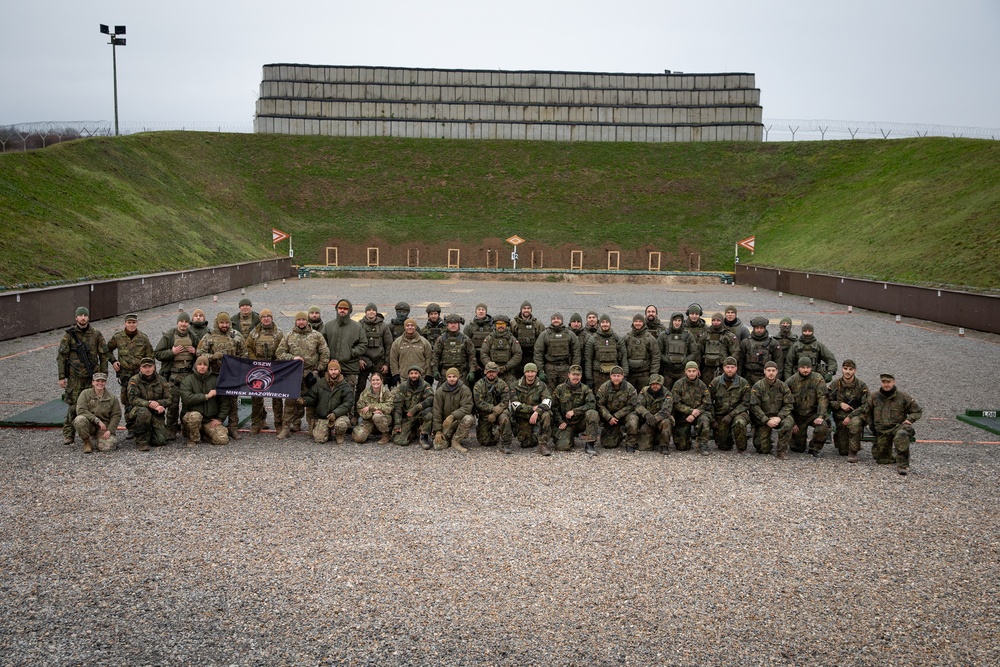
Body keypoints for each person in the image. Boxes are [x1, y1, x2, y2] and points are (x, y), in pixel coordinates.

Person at [57, 306, 109, 446]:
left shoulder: (96, 334)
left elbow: (104, 355)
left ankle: (94, 432)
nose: (83, 318)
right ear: (76, 318)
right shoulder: (68, 335)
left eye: (85, 315)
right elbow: (61, 357)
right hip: (75, 378)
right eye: (80, 315)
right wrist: (62, 376)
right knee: (74, 406)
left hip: (92, 377)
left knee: (95, 404)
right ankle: (69, 433)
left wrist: (103, 375)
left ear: (88, 317)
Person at [275, 311, 330, 439]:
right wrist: (292, 358)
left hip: (311, 375)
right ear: (295, 321)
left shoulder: (316, 336)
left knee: (311, 403)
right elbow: (280, 353)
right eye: (299, 320)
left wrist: (317, 370)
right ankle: (286, 427)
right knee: (290, 402)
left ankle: (312, 428)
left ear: (307, 321)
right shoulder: (289, 336)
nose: (301, 322)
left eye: (303, 320)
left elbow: (325, 353)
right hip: (294, 374)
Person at [197, 312, 247, 441]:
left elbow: (244, 354)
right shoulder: (209, 336)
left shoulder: (236, 336)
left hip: (231, 375)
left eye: (226, 323)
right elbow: (200, 353)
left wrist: (237, 366)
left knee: (232, 402)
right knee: (213, 400)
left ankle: (233, 427)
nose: (224, 325)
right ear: (217, 323)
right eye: (222, 323)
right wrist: (212, 357)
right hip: (213, 375)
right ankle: (210, 425)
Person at [864, 372, 921, 475]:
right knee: (881, 459)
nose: (886, 385)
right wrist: (872, 427)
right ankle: (892, 454)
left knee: (901, 435)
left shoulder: (903, 397)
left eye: (888, 382)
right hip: (882, 430)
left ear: (894, 382)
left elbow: (917, 411)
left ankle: (902, 465)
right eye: (884, 382)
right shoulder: (874, 397)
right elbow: (867, 413)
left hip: (897, 427)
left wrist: (910, 419)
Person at [107, 313, 153, 439]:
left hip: (139, 375)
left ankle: (142, 426)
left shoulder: (143, 338)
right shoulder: (118, 337)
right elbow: (107, 349)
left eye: (133, 323)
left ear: (137, 323)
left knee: (141, 399)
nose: (131, 325)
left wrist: (147, 370)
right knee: (127, 400)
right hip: (125, 375)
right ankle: (130, 427)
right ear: (125, 324)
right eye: (129, 323)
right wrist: (113, 361)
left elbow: (150, 357)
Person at [153, 312, 198, 440]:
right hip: (173, 377)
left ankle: (185, 429)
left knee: (187, 405)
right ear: (178, 322)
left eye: (186, 322)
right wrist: (171, 352)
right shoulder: (169, 336)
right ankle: (171, 431)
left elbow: (202, 354)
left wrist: (195, 352)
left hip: (188, 376)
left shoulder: (193, 336)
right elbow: (157, 353)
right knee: (172, 406)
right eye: (182, 321)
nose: (184, 324)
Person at [245, 308, 284, 434]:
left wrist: (277, 363)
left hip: (274, 369)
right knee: (256, 397)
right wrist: (255, 361)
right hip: (258, 369)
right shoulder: (254, 333)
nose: (266, 318)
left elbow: (283, 349)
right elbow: (248, 348)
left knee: (277, 398)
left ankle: (278, 423)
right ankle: (257, 422)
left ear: (272, 318)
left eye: (268, 316)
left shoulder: (279, 334)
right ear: (260, 319)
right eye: (263, 317)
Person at [323, 299, 367, 408]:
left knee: (349, 394)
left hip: (350, 367)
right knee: (331, 393)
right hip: (332, 367)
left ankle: (349, 418)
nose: (342, 310)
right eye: (340, 308)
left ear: (349, 311)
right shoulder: (328, 326)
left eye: (345, 309)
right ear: (337, 309)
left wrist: (350, 353)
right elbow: (322, 344)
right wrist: (328, 358)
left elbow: (363, 344)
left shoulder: (357, 327)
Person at [179, 355, 229, 447]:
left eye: (205, 365)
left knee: (222, 440)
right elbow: (187, 399)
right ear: (195, 366)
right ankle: (193, 438)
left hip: (209, 420)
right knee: (195, 416)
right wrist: (206, 396)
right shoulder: (187, 381)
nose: (202, 367)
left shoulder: (215, 380)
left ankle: (205, 435)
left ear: (208, 367)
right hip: (193, 418)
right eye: (200, 364)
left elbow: (224, 401)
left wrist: (220, 418)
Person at [785, 357, 831, 456]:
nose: (805, 370)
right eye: (803, 367)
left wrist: (820, 416)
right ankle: (797, 442)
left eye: (808, 367)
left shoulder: (818, 379)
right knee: (797, 448)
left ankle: (814, 447)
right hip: (797, 417)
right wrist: (792, 422)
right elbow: (785, 404)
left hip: (812, 414)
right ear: (798, 368)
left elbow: (823, 398)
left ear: (811, 368)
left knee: (823, 426)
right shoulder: (791, 381)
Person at [302, 359, 354, 444]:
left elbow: (348, 403)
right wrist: (304, 400)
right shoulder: (320, 383)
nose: (333, 372)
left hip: (339, 416)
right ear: (328, 371)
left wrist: (335, 413)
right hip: (323, 417)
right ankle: (328, 432)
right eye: (331, 370)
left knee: (341, 425)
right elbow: (312, 396)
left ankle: (339, 435)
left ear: (339, 371)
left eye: (335, 370)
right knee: (319, 439)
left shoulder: (345, 386)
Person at [749, 361, 794, 458]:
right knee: (762, 448)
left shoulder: (783, 386)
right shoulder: (758, 386)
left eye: (773, 370)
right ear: (764, 371)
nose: (771, 373)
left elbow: (789, 404)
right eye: (768, 370)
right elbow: (754, 406)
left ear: (777, 371)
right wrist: (766, 420)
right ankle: (766, 440)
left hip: (779, 416)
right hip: (764, 419)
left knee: (788, 423)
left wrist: (780, 417)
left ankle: (781, 450)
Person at [828, 359, 870, 461]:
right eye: (845, 369)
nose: (848, 371)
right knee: (843, 451)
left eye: (850, 369)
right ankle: (844, 441)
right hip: (840, 418)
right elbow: (827, 400)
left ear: (854, 370)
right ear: (842, 369)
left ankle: (853, 452)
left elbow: (866, 405)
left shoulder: (861, 386)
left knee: (854, 424)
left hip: (856, 416)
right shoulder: (835, 384)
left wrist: (850, 416)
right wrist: (839, 404)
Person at [551, 364, 599, 455]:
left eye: (578, 375)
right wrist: (560, 421)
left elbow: (592, 404)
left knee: (593, 413)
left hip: (580, 422)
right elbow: (554, 407)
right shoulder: (560, 389)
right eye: (573, 374)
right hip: (566, 423)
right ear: (569, 375)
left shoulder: (586, 389)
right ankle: (569, 437)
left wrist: (575, 411)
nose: (575, 377)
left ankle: (590, 444)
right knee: (562, 447)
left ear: (581, 376)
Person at [127, 357, 172, 452]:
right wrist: (148, 404)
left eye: (150, 366)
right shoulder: (134, 380)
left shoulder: (162, 380)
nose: (147, 369)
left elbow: (169, 399)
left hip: (156, 412)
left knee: (160, 441)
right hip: (139, 411)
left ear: (154, 367)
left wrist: (159, 404)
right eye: (145, 367)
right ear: (141, 368)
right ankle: (141, 441)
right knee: (144, 412)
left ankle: (150, 431)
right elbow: (132, 399)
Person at [708, 357, 751, 453]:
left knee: (739, 423)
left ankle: (741, 447)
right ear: (723, 367)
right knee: (723, 446)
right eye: (727, 367)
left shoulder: (743, 383)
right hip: (721, 415)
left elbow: (746, 403)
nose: (730, 369)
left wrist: (731, 415)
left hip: (738, 414)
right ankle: (728, 438)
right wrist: (712, 419)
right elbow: (708, 402)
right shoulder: (716, 382)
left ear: (736, 368)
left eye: (732, 367)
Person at [510, 363, 553, 456]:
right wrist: (532, 408)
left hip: (537, 415)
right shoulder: (515, 385)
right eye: (528, 372)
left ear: (536, 372)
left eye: (532, 372)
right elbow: (515, 405)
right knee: (525, 443)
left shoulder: (542, 385)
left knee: (546, 415)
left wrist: (537, 411)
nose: (530, 374)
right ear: (524, 373)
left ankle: (543, 445)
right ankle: (534, 434)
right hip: (522, 416)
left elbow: (547, 401)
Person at [73, 372, 121, 454]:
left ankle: (98, 438)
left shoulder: (112, 397)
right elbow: (81, 410)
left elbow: (116, 415)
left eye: (102, 381)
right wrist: (97, 420)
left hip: (104, 427)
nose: (100, 383)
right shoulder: (85, 394)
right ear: (93, 382)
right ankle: (87, 442)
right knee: (79, 420)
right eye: (97, 381)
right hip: (90, 423)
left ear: (105, 383)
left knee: (106, 448)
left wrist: (110, 430)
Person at [472, 362, 515, 454]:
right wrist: (492, 408)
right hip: (485, 415)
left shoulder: (502, 384)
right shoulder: (478, 385)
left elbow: (505, 402)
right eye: (489, 372)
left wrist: (495, 414)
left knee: (505, 418)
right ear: (485, 372)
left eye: (493, 372)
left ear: (497, 372)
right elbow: (479, 403)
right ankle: (497, 431)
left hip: (499, 412)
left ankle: (506, 444)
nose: (491, 374)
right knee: (485, 442)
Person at [671, 361, 712, 455]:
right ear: (685, 371)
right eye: (689, 371)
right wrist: (690, 411)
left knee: (704, 419)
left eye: (694, 371)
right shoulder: (678, 384)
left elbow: (707, 403)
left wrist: (695, 413)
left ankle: (703, 444)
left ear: (698, 371)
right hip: (683, 415)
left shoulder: (702, 385)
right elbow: (676, 403)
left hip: (699, 414)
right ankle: (687, 438)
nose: (691, 373)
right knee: (682, 447)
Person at [534, 312, 581, 391]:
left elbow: (576, 353)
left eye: (558, 319)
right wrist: (540, 370)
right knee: (548, 392)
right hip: (550, 369)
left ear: (562, 320)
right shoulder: (544, 334)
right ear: (551, 320)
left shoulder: (570, 334)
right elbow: (538, 353)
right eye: (554, 319)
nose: (556, 320)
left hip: (565, 368)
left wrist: (574, 369)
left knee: (565, 391)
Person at [596, 365, 639, 452]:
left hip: (624, 415)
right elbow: (600, 405)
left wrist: (617, 415)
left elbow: (632, 405)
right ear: (610, 376)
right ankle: (619, 435)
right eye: (614, 376)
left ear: (622, 376)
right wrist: (609, 417)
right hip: (609, 417)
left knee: (633, 420)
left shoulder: (630, 388)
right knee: (608, 444)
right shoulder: (604, 387)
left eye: (618, 376)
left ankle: (631, 443)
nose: (616, 378)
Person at [432, 367, 476, 452]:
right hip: (446, 423)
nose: (452, 379)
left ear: (458, 377)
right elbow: (437, 411)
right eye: (449, 377)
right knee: (438, 446)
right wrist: (438, 430)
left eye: (454, 376)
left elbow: (467, 407)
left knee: (468, 418)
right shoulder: (440, 391)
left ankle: (456, 441)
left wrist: (452, 416)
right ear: (446, 377)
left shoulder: (464, 390)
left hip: (458, 420)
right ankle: (448, 438)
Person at [392, 365, 434, 448]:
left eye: (416, 373)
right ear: (408, 375)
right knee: (399, 441)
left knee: (429, 412)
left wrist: (416, 408)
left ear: (419, 374)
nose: (413, 375)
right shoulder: (403, 387)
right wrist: (397, 424)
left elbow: (431, 399)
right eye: (411, 373)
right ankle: (413, 432)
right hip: (408, 416)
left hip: (420, 414)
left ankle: (424, 436)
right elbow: (398, 406)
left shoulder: (425, 385)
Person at [584, 314, 626, 390]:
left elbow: (624, 358)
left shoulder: (618, 339)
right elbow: (588, 360)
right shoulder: (592, 339)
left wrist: (625, 375)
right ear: (599, 324)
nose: (605, 324)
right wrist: (589, 378)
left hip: (614, 376)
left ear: (610, 324)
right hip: (598, 375)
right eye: (603, 322)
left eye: (607, 322)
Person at [658, 312, 699, 390]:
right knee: (667, 392)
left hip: (682, 371)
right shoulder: (663, 335)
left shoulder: (688, 335)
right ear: (671, 321)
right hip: (667, 371)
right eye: (675, 320)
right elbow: (658, 352)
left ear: (682, 322)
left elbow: (694, 352)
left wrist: (685, 361)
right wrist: (666, 360)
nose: (677, 323)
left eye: (679, 321)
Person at [432, 314, 476, 384]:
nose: (453, 325)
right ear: (447, 325)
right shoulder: (441, 339)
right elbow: (436, 356)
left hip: (461, 374)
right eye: (451, 323)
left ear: (459, 324)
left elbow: (471, 356)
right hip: (445, 374)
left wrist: (472, 371)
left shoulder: (466, 339)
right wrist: (435, 370)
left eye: (455, 323)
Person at [479, 315, 522, 387]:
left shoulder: (512, 339)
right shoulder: (489, 338)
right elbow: (483, 354)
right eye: (498, 324)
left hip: (508, 372)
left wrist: (506, 367)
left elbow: (518, 354)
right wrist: (492, 367)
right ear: (495, 325)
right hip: (491, 372)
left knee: (513, 389)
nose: (500, 326)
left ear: (506, 325)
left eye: (503, 324)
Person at [635, 374, 673, 454]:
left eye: (657, 384)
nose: (655, 386)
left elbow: (666, 411)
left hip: (660, 419)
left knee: (666, 422)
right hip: (647, 419)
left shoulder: (667, 394)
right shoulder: (644, 391)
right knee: (643, 448)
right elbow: (638, 405)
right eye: (653, 384)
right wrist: (646, 414)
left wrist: (652, 420)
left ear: (661, 384)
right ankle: (654, 438)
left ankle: (664, 445)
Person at [359, 302, 392, 392]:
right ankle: (358, 405)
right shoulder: (359, 326)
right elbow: (354, 344)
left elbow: (388, 345)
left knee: (379, 387)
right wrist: (359, 359)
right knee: (360, 388)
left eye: (373, 310)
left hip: (379, 361)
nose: (371, 312)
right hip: (364, 361)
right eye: (369, 310)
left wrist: (386, 364)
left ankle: (379, 405)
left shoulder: (383, 326)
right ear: (365, 312)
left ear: (376, 312)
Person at [389, 318, 433, 387]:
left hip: (420, 378)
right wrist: (395, 374)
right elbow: (393, 359)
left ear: (415, 327)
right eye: (407, 325)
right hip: (403, 378)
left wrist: (429, 374)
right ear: (405, 327)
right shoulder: (397, 342)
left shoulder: (424, 342)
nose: (410, 327)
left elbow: (429, 359)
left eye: (412, 325)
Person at [698, 312, 739, 385]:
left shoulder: (728, 336)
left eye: (718, 320)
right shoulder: (706, 335)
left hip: (722, 369)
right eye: (714, 320)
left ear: (722, 321)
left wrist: (728, 367)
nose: (716, 322)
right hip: (707, 370)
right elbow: (699, 351)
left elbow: (735, 352)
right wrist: (697, 367)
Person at [353, 372, 394, 443]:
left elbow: (389, 407)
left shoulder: (387, 393)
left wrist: (371, 407)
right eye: (373, 380)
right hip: (369, 419)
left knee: (377, 416)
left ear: (381, 381)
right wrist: (372, 413)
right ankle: (373, 430)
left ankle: (386, 434)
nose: (375, 382)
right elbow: (360, 408)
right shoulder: (365, 393)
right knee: (359, 438)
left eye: (378, 380)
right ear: (370, 381)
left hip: (384, 418)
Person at [739, 316, 781, 386]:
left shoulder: (773, 343)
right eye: (757, 328)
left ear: (765, 328)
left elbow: (779, 362)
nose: (759, 330)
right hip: (749, 378)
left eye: (761, 328)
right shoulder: (745, 343)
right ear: (754, 328)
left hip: (767, 378)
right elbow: (740, 362)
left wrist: (775, 380)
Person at [624, 313, 660, 390]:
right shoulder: (626, 338)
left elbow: (655, 356)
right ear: (633, 322)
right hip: (630, 374)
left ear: (643, 323)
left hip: (644, 374)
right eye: (636, 321)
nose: (638, 323)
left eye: (640, 321)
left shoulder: (650, 338)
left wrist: (653, 373)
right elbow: (622, 355)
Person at [511, 300, 542, 378]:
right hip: (518, 356)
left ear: (531, 310)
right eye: (524, 308)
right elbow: (510, 339)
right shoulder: (514, 323)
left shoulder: (537, 324)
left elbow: (542, 340)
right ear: (521, 310)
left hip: (532, 356)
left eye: (528, 308)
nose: (526, 310)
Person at [463, 303, 494, 381]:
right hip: (474, 357)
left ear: (486, 312)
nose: (481, 311)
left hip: (488, 357)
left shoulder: (492, 326)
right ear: (475, 311)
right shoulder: (470, 326)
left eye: (483, 310)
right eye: (479, 309)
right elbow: (464, 342)